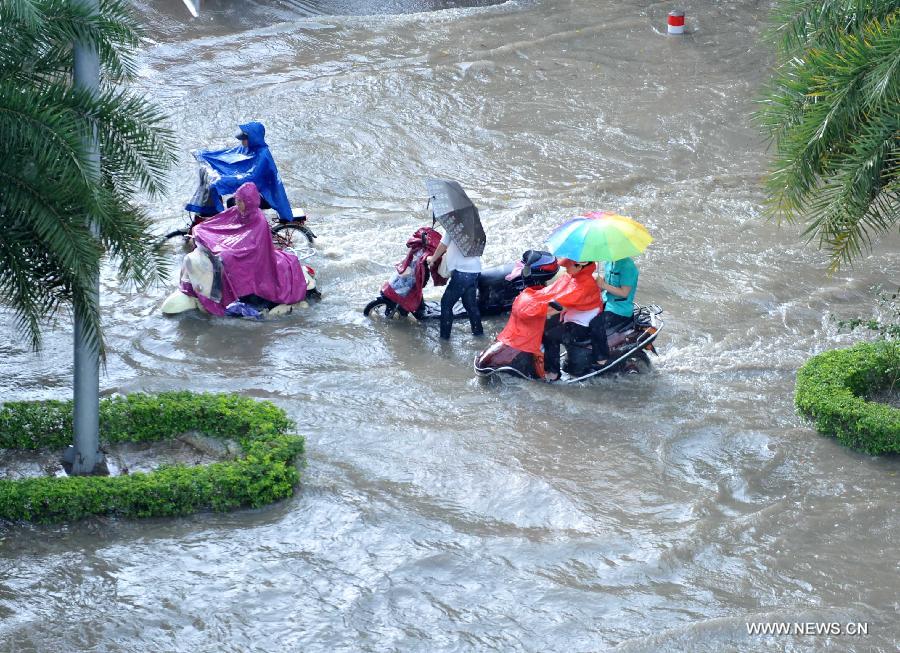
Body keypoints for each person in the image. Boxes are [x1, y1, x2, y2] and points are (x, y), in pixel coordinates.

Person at [182, 182, 306, 315]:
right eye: (237, 200)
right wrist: (199, 229)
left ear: (249, 202)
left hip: (256, 259)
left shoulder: (259, 221)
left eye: (240, 201)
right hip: (239, 252)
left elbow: (253, 248)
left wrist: (228, 252)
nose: (238, 204)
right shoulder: (236, 211)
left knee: (226, 259)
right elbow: (217, 223)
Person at [185, 121, 294, 222]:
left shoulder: (263, 155)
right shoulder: (247, 148)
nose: (242, 141)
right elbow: (226, 155)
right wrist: (204, 155)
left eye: (244, 139)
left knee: (232, 203)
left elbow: (251, 177)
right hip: (252, 190)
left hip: (264, 194)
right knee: (230, 201)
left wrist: (224, 180)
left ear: (253, 138)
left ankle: (241, 231)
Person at [540, 258, 602, 381]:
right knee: (548, 324)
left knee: (550, 335)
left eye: (569, 266)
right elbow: (552, 292)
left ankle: (553, 373)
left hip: (582, 325)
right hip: (573, 316)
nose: (566, 268)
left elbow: (564, 303)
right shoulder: (573, 277)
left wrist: (539, 309)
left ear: (579, 267)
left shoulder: (585, 284)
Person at [426, 230, 483, 339]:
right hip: (475, 270)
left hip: (462, 272)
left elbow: (443, 245)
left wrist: (432, 259)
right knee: (470, 305)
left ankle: (444, 340)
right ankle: (479, 335)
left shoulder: (454, 226)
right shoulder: (473, 226)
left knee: (446, 304)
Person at [590, 256, 639, 366]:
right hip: (607, 302)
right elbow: (607, 284)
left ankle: (602, 359)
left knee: (596, 324)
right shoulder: (609, 261)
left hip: (620, 309)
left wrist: (603, 285)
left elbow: (624, 292)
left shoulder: (628, 266)